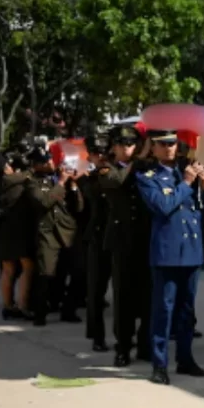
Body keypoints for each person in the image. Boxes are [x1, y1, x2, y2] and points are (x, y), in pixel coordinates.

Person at [136, 131, 204, 385]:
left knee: (187, 311)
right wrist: (188, 183)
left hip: (191, 250)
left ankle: (185, 358)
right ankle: (159, 364)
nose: (169, 148)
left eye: (172, 143)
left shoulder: (184, 171)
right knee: (163, 311)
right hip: (167, 253)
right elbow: (163, 206)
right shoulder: (148, 177)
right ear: (153, 147)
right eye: (163, 144)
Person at [101, 124, 153, 366]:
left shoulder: (146, 168)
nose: (127, 149)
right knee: (123, 298)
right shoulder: (106, 168)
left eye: (131, 144)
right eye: (122, 145)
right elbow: (119, 181)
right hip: (121, 241)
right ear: (114, 147)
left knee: (147, 296)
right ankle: (122, 346)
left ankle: (145, 344)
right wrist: (140, 159)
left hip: (144, 239)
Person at [24, 145, 83, 327]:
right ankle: (40, 312)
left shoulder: (61, 178)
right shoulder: (32, 181)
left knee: (76, 273)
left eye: (49, 159)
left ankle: (68, 309)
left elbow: (78, 207)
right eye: (44, 161)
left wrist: (73, 186)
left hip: (67, 232)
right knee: (46, 274)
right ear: (35, 165)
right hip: (48, 233)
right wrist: (59, 184)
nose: (49, 163)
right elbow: (43, 202)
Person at [0, 153, 35, 319]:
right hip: (19, 231)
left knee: (7, 269)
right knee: (28, 267)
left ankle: (7, 306)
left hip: (2, 231)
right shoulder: (17, 182)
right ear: (5, 168)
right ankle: (23, 305)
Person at [82, 139, 114, 352]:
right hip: (98, 239)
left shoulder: (117, 175)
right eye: (96, 153)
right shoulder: (89, 181)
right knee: (96, 292)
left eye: (105, 152)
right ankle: (97, 335)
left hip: (118, 238)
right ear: (90, 157)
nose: (101, 156)